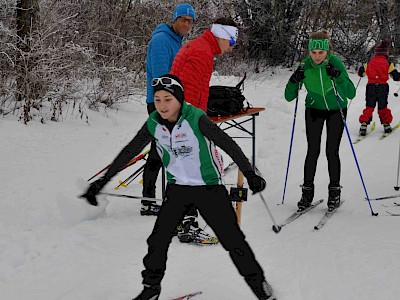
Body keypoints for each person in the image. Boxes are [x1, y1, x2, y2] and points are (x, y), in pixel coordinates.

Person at [81, 74, 275, 300]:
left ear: (180, 100)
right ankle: (151, 289)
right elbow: (130, 150)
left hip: (208, 188)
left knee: (232, 240)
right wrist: (102, 181)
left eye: (168, 99)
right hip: (177, 189)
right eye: (158, 99)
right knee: (157, 240)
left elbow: (229, 145)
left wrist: (250, 174)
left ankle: (259, 285)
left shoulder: (196, 118)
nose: (162, 105)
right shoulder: (153, 122)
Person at [170, 17, 239, 241]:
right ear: (221, 35)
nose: (231, 47)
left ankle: (185, 221)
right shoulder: (201, 53)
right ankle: (188, 224)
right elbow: (186, 92)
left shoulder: (201, 48)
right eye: (232, 40)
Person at [284, 29, 356, 211]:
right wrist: (294, 81)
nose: (316, 56)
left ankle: (334, 192)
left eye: (321, 52)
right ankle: (307, 192)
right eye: (313, 52)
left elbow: (351, 93)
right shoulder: (304, 65)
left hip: (336, 109)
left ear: (327, 51)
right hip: (314, 109)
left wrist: (338, 77)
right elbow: (288, 96)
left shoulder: (335, 62)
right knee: (312, 151)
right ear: (309, 51)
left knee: (332, 151)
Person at [142, 3, 196, 216]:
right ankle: (150, 200)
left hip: (172, 103)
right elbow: (161, 78)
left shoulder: (177, 41)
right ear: (174, 19)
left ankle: (150, 200)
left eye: (190, 21)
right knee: (163, 151)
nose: (186, 24)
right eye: (183, 19)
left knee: (160, 151)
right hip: (161, 103)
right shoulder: (161, 40)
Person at [357, 37, 400, 136]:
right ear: (385, 53)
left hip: (371, 86)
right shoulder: (388, 63)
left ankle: (364, 124)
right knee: (382, 106)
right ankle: (386, 125)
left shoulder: (370, 62)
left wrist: (363, 71)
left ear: (376, 53)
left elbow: (360, 73)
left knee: (369, 106)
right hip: (382, 87)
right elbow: (395, 77)